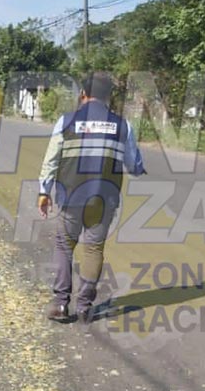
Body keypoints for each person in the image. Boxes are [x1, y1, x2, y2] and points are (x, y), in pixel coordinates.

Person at [38, 72, 147, 324]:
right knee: (94, 248)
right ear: (108, 98)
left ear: (83, 95)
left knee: (65, 245)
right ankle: (85, 306)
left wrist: (44, 191)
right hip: (104, 199)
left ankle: (61, 304)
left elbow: (51, 160)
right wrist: (138, 168)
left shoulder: (66, 121)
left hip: (71, 195)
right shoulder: (123, 126)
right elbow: (134, 164)